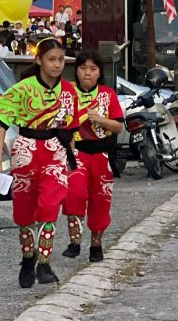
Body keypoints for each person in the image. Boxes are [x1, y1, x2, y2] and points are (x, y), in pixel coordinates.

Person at [0, 38, 85, 287]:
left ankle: (44, 264)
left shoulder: (69, 91)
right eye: (51, 59)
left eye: (61, 60)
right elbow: (1, 122)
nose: (56, 65)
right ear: (39, 60)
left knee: (50, 207)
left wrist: (73, 165)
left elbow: (71, 131)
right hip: (25, 151)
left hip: (55, 152)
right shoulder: (23, 89)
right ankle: (28, 259)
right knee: (25, 212)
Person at [62, 50, 124, 262]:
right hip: (76, 152)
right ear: (76, 71)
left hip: (102, 154)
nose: (87, 73)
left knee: (101, 200)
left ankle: (96, 245)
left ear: (99, 73)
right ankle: (74, 241)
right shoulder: (67, 93)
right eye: (83, 68)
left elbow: (118, 127)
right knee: (74, 194)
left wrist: (100, 119)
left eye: (93, 69)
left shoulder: (108, 95)